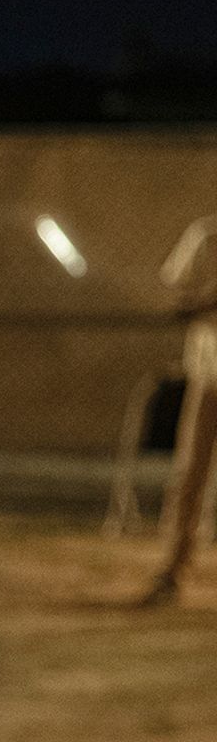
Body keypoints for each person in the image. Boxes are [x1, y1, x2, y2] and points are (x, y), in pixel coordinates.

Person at [144, 214, 217, 606]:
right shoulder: (206, 237)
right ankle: (173, 568)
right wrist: (206, 299)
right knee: (191, 470)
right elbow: (170, 298)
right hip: (210, 374)